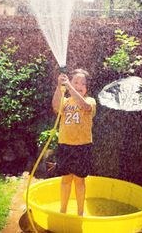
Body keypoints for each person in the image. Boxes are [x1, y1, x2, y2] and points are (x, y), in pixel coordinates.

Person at [52, 68, 96, 216]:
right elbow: (55, 106)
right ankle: (63, 210)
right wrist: (59, 86)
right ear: (69, 82)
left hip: (82, 146)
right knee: (65, 179)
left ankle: (80, 212)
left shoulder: (90, 101)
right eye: (75, 82)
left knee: (79, 181)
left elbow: (84, 106)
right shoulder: (65, 101)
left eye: (83, 83)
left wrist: (69, 87)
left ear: (87, 88)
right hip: (65, 145)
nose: (79, 85)